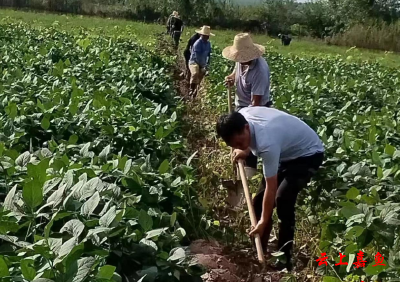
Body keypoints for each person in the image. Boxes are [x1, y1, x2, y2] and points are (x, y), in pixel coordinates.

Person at [216, 107, 324, 270]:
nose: (238, 145)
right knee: (258, 202)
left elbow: (271, 188)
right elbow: (246, 140)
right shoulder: (243, 114)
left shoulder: (267, 142)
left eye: (240, 142)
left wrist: (263, 221)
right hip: (286, 152)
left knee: (283, 198)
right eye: (234, 145)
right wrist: (244, 150)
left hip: (308, 154)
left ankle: (284, 259)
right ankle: (261, 251)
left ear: (246, 128)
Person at [222, 33, 272, 178]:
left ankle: (248, 177)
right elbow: (236, 73)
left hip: (256, 109)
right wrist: (231, 78)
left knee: (248, 141)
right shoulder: (241, 59)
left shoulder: (260, 71)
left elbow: (255, 105)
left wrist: (246, 148)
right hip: (241, 106)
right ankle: (237, 173)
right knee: (236, 139)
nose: (240, 60)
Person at [188, 26, 214, 98]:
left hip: (202, 64)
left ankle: (195, 95)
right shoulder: (197, 43)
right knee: (195, 73)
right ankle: (191, 89)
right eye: (205, 35)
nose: (206, 37)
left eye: (207, 36)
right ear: (201, 35)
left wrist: (207, 66)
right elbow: (197, 57)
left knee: (199, 81)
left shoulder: (208, 44)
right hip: (194, 62)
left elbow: (208, 55)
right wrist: (202, 66)